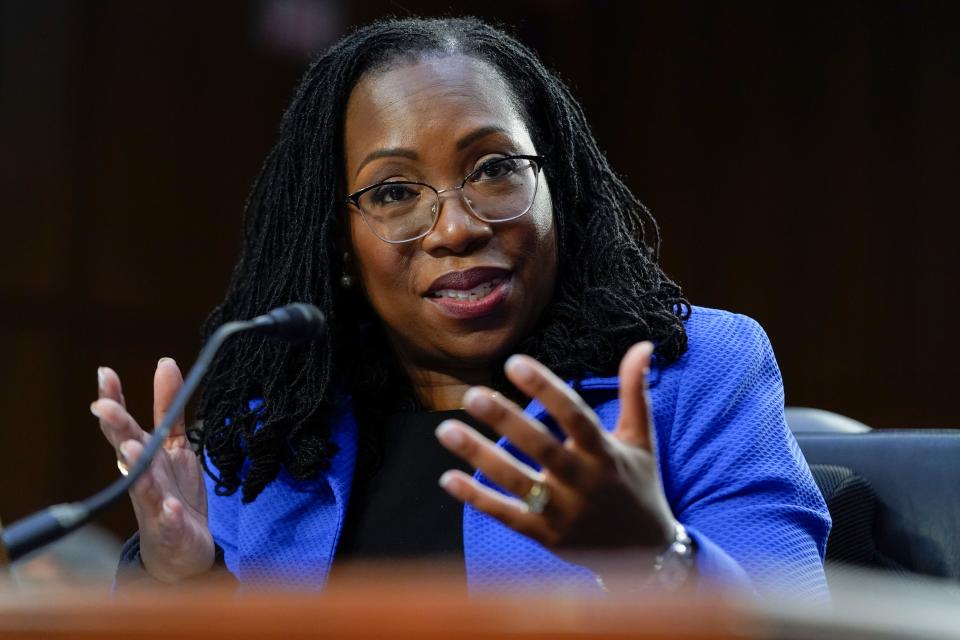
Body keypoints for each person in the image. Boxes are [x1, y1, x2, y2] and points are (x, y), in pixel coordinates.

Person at [92, 17, 830, 596]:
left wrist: (654, 555)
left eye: (496, 169)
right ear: (338, 239)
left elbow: (800, 628)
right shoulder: (277, 434)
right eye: (393, 192)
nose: (457, 227)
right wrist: (183, 582)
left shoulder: (693, 372)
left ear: (558, 185)